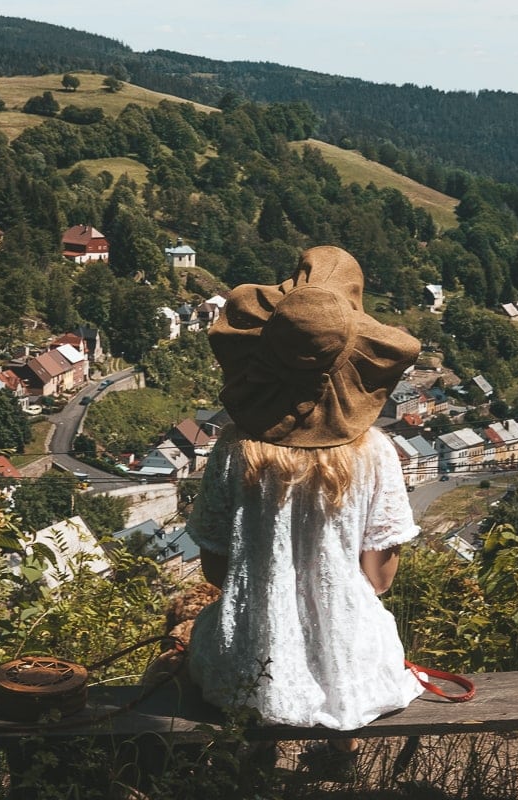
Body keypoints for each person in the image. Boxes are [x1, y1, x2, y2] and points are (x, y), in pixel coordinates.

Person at [185, 245, 424, 769]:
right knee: (350, 638)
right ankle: (343, 750)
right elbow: (380, 581)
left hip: (250, 650)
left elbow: (217, 569)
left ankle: (258, 755)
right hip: (349, 656)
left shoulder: (233, 451)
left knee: (251, 648)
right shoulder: (375, 453)